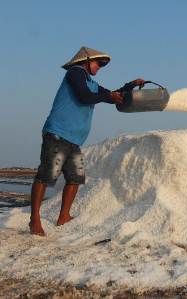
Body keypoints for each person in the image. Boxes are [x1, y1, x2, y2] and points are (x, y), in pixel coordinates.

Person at [29, 46, 145, 236]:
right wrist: (109, 96)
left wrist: (130, 85)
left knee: (75, 178)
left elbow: (111, 94)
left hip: (74, 139)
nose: (99, 67)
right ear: (86, 60)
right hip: (58, 133)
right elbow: (84, 97)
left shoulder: (91, 83)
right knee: (46, 175)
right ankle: (34, 220)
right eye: (98, 64)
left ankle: (64, 216)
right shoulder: (76, 73)